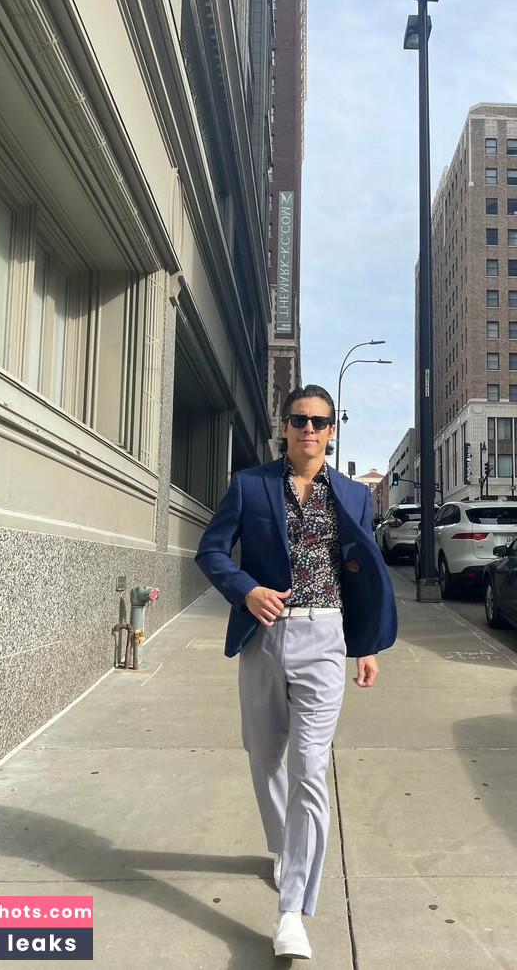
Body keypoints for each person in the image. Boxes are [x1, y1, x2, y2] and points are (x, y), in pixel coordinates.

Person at [195, 384, 397, 960]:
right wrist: (246, 589)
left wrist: (367, 645)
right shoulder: (250, 485)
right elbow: (211, 551)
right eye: (299, 419)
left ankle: (292, 912)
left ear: (332, 431)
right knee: (263, 756)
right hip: (263, 635)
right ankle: (284, 847)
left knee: (310, 768)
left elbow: (362, 572)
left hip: (325, 637)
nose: (309, 429)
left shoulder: (354, 495)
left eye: (319, 421)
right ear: (284, 426)